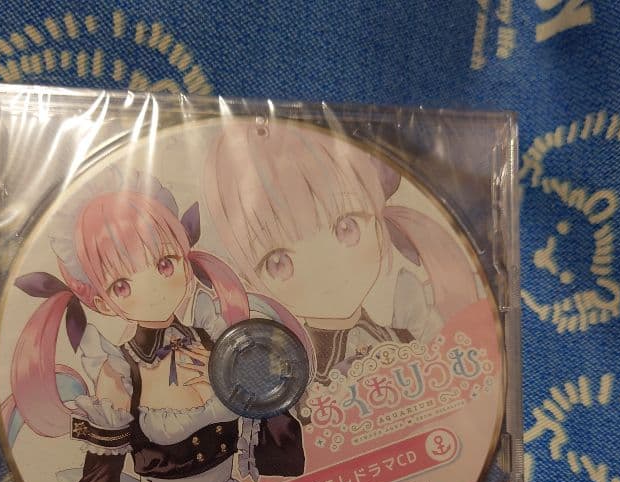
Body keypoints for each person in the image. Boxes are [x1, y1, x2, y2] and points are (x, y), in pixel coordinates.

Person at [6, 176, 306, 482]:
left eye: (165, 264)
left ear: (184, 255)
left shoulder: (216, 340)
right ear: (102, 301)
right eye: (122, 285)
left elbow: (287, 457)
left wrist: (246, 380)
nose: (153, 288)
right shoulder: (119, 373)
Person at [202, 120, 486, 384]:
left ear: (377, 220)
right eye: (279, 262)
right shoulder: (297, 374)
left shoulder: (400, 336)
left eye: (346, 227)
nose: (326, 268)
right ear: (249, 279)